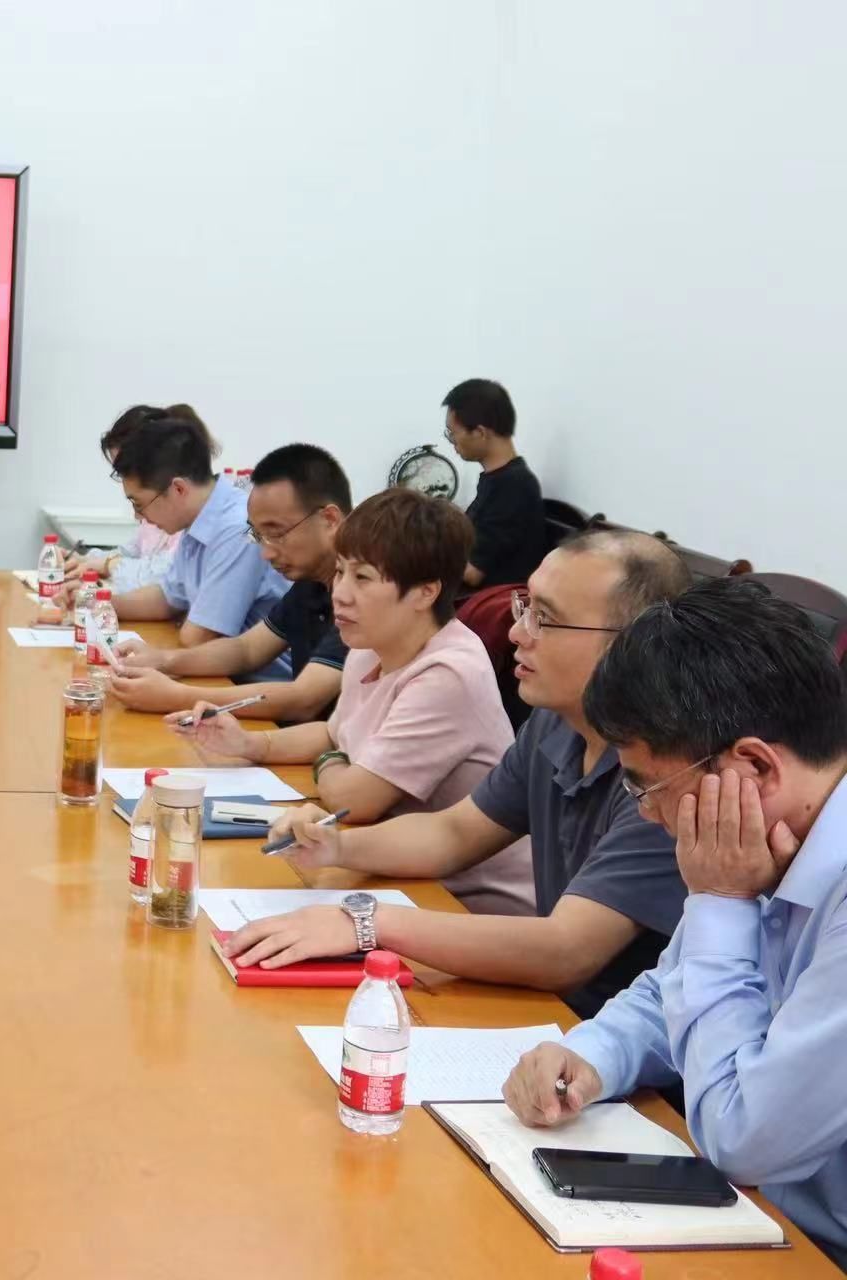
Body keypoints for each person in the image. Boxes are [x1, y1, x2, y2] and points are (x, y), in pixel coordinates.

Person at [503, 579, 847, 1270]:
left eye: (646, 785)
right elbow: (673, 988)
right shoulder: (766, 839)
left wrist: (720, 901)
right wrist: (593, 1054)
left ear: (753, 766)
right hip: (764, 1217)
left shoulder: (750, 873)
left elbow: (745, 1138)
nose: (645, 811)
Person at [218, 529, 693, 1018]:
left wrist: (365, 921)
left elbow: (566, 950)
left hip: (605, 1034)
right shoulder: (556, 723)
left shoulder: (670, 770)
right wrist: (336, 846)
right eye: (525, 607)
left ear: (633, 645)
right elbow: (454, 832)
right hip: (542, 1007)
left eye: (545, 619)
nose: (517, 633)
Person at [179, 489, 534, 916]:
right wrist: (251, 745)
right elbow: (335, 734)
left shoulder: (447, 673)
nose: (340, 593)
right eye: (340, 571)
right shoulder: (371, 644)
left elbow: (356, 798)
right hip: (397, 872)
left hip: (466, 902)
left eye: (362, 578)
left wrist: (332, 759)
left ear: (425, 592)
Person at [110, 443, 352, 721]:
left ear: (329, 519)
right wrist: (164, 660)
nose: (266, 553)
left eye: (277, 534)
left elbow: (304, 700)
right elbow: (247, 649)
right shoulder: (311, 582)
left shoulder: (364, 590)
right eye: (259, 536)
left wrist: (175, 696)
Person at [97, 415, 288, 657]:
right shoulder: (196, 519)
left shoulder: (238, 528)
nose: (138, 516)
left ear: (178, 489)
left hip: (251, 677)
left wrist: (186, 620)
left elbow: (199, 637)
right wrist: (100, 605)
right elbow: (168, 597)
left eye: (139, 504)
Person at [57, 404, 189, 593]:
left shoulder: (187, 512)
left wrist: (107, 565)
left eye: (126, 469)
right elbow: (130, 553)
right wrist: (84, 560)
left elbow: (168, 576)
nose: (125, 479)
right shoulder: (153, 510)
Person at [442, 377, 545, 590]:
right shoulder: (497, 479)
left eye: (453, 434)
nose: (452, 442)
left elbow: (472, 572)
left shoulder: (514, 486)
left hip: (491, 600)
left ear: (479, 433)